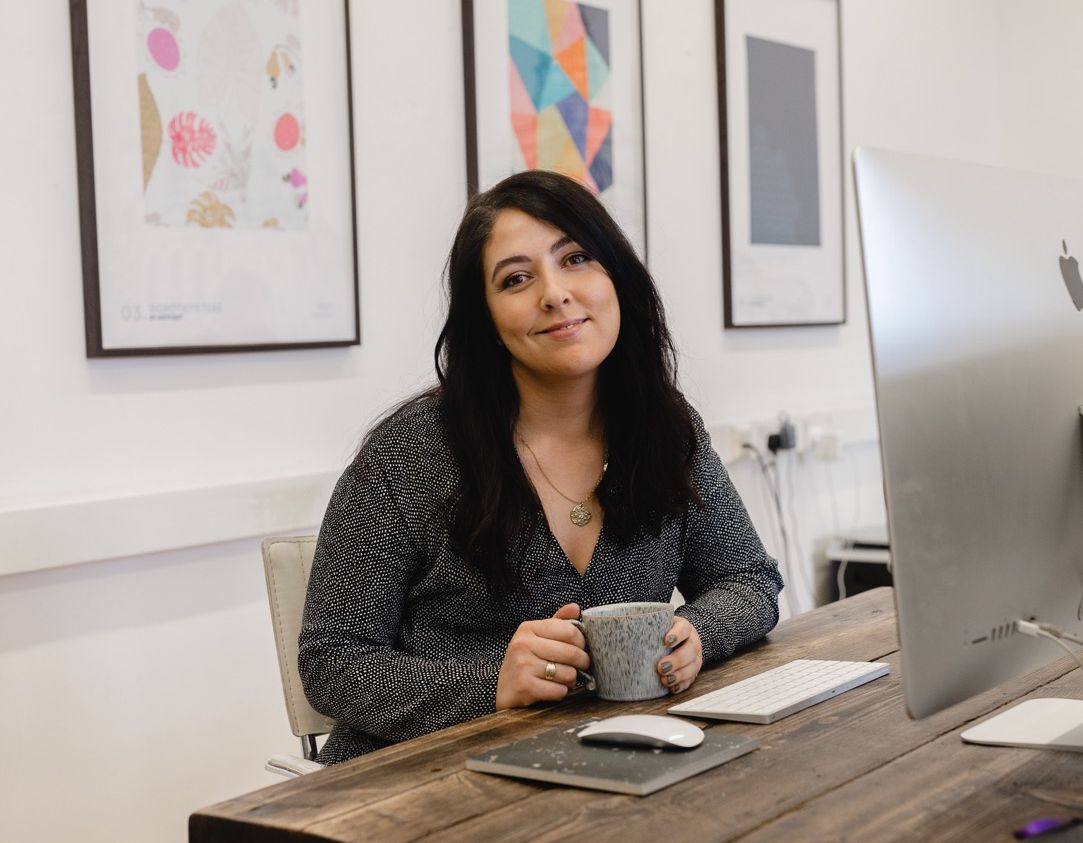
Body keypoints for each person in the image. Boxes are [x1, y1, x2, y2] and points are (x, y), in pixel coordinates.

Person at [299, 169, 784, 764]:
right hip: (416, 784)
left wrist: (698, 634)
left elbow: (749, 582)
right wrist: (490, 683)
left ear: (617, 279)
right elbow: (332, 661)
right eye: (517, 279)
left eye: (576, 258)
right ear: (488, 321)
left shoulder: (664, 428)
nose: (554, 293)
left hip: (598, 769)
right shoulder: (412, 454)